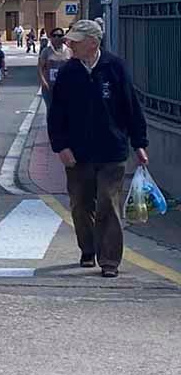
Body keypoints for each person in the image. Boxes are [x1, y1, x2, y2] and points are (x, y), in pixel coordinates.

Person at [48, 20, 148, 278]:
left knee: (108, 203)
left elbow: (131, 107)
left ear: (92, 43)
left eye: (76, 41)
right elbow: (56, 112)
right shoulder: (68, 72)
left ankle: (110, 260)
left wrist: (139, 143)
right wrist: (61, 146)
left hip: (112, 150)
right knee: (81, 205)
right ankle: (88, 248)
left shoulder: (114, 68)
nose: (70, 44)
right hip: (77, 153)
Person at [38, 27, 71, 116]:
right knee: (51, 110)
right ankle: (52, 129)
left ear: (63, 37)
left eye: (59, 36)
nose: (57, 38)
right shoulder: (46, 51)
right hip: (50, 86)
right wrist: (43, 82)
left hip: (65, 86)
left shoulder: (69, 51)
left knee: (65, 110)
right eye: (54, 36)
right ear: (51, 38)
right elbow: (40, 67)